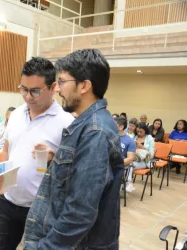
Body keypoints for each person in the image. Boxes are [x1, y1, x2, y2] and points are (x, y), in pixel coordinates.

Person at [24, 49, 124, 250]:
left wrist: (47, 247)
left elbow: (80, 211)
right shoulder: (87, 125)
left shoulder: (95, 131)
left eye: (61, 82)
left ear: (84, 86)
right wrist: (56, 160)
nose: (58, 89)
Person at [0, 57, 74, 250]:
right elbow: (6, 149)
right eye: (23, 89)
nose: (28, 96)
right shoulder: (15, 114)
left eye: (35, 91)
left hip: (41, 208)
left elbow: (73, 171)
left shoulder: (66, 122)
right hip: (9, 200)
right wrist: (1, 182)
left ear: (53, 87)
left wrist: (54, 158)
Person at [127, 122, 155, 189]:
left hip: (145, 161)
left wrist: (142, 147)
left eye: (141, 132)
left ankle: (128, 183)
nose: (139, 133)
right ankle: (126, 184)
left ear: (145, 130)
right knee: (126, 164)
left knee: (129, 165)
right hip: (134, 158)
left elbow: (151, 155)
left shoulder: (149, 138)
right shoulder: (135, 137)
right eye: (137, 131)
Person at [115, 117, 136, 192]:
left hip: (119, 166)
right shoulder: (108, 137)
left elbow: (130, 159)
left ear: (121, 127)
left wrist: (116, 164)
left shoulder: (130, 141)